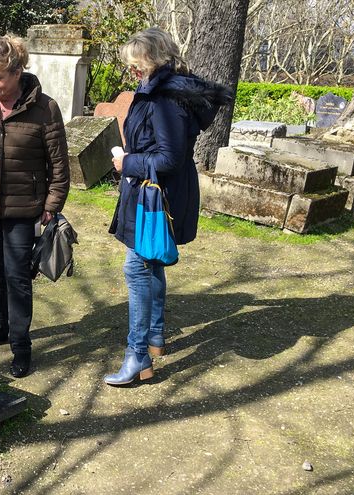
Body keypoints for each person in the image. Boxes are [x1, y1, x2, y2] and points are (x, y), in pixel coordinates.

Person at [104, 27, 231, 386]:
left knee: (137, 267)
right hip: (156, 192)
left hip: (158, 196)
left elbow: (170, 158)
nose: (132, 72)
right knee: (152, 260)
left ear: (154, 61)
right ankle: (155, 337)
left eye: (136, 64)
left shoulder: (165, 99)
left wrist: (126, 163)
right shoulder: (165, 90)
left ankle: (138, 354)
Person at [0, 35, 70, 378]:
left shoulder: (45, 109)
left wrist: (51, 204)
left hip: (25, 210)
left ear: (17, 73)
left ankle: (21, 345)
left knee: (18, 277)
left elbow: (59, 166)